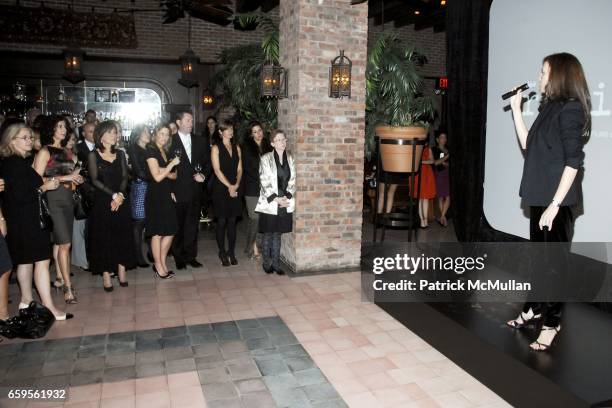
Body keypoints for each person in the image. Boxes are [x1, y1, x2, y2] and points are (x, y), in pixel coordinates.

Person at [506, 53, 590, 351]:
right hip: (541, 197)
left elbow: (573, 163)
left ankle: (552, 322)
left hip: (558, 202)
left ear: (558, 76)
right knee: (540, 261)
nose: (539, 77)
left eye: (543, 72)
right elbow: (529, 146)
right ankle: (534, 308)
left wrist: (555, 205)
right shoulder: (549, 108)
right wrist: (517, 110)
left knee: (555, 265)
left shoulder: (570, 109)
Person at [0, 123, 72, 320]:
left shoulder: (17, 161)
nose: (30, 140)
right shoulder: (14, 164)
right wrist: (45, 187)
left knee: (25, 262)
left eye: (31, 137)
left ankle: (26, 300)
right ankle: (48, 306)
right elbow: (21, 195)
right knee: (41, 260)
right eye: (24, 137)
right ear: (11, 140)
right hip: (27, 219)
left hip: (21, 218)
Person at [33, 116, 83, 304]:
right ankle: (68, 288)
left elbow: (72, 176)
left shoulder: (68, 151)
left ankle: (61, 279)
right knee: (65, 244)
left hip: (68, 200)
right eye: (59, 126)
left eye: (65, 127)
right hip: (53, 200)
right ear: (51, 129)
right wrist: (66, 178)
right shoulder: (46, 151)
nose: (63, 130)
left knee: (65, 243)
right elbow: (36, 181)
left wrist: (77, 179)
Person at [87, 120, 136, 291]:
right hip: (103, 202)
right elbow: (94, 180)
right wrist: (113, 195)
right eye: (112, 132)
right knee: (104, 238)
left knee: (122, 235)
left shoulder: (121, 154)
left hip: (121, 201)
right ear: (102, 136)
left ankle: (122, 272)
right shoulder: (93, 155)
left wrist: (120, 195)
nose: (116, 135)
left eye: (116, 132)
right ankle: (106, 275)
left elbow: (125, 177)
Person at [169, 111, 208, 270]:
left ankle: (191, 256)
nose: (191, 123)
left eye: (192, 120)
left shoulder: (200, 141)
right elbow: (166, 167)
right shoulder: (170, 141)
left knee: (192, 225)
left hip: (195, 190)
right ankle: (179, 257)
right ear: (178, 122)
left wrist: (203, 175)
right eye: (188, 120)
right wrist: (170, 190)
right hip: (178, 190)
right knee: (178, 225)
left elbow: (207, 163)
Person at [255, 129, 296, 275]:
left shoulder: (290, 157)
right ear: (272, 143)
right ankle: (267, 263)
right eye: (279, 140)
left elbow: (293, 180)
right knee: (268, 233)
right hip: (270, 201)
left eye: (284, 139)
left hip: (284, 201)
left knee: (278, 234)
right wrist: (276, 198)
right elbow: (264, 180)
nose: (283, 142)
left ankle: (277, 264)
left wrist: (287, 197)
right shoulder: (265, 158)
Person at [145, 124, 180, 279]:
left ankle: (161, 261)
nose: (165, 137)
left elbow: (174, 176)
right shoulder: (150, 150)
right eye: (162, 133)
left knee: (171, 230)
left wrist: (164, 170)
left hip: (166, 193)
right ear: (155, 134)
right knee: (157, 232)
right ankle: (159, 265)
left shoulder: (165, 151)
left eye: (167, 134)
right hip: (155, 195)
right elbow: (157, 177)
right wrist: (170, 166)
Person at [211, 120, 243, 266]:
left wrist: (236, 184)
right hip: (220, 188)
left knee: (232, 222)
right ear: (220, 132)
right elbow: (217, 170)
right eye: (227, 129)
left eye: (231, 129)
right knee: (222, 221)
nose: (230, 131)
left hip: (234, 187)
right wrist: (229, 186)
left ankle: (231, 252)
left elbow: (240, 169)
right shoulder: (216, 148)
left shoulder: (237, 147)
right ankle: (222, 252)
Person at [241, 121, 271, 259]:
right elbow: (247, 168)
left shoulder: (267, 145)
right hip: (252, 188)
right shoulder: (246, 147)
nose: (258, 134)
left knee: (263, 219)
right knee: (255, 218)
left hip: (266, 189)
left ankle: (256, 247)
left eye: (259, 130)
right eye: (255, 132)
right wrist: (262, 176)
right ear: (250, 134)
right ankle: (252, 248)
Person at [128, 125, 152, 268]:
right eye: (145, 132)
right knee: (139, 222)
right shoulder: (133, 149)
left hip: (150, 187)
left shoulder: (149, 149)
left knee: (149, 221)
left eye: (148, 132)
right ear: (138, 134)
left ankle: (150, 252)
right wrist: (155, 176)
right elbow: (138, 171)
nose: (148, 134)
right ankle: (137, 256)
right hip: (141, 187)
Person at [411, 142, 437, 228]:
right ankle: (422, 220)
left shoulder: (428, 149)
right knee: (420, 198)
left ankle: (425, 220)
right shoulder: (414, 148)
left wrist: (421, 161)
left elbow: (432, 161)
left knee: (425, 198)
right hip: (417, 174)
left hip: (426, 174)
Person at [432, 130, 450, 227]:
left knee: (448, 196)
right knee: (440, 197)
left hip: (447, 174)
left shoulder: (448, 149)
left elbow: (448, 164)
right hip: (439, 174)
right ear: (437, 139)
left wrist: (446, 162)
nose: (444, 140)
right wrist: (446, 157)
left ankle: (442, 216)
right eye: (442, 138)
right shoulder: (434, 149)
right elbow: (436, 163)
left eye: (445, 138)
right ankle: (443, 217)